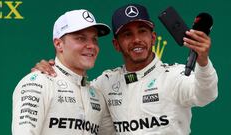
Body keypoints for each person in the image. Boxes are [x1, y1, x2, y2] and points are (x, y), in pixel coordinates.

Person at [33, 4, 218, 135]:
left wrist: (202, 61)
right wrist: (51, 70)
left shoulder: (175, 76)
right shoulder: (105, 83)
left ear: (153, 38)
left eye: (142, 31)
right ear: (116, 44)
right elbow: (76, 88)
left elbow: (205, 94)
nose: (137, 39)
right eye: (127, 34)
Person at [12, 9, 115, 135]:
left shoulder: (97, 96)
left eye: (94, 39)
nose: (91, 45)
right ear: (58, 44)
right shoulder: (38, 83)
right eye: (81, 38)